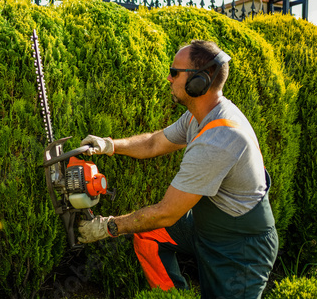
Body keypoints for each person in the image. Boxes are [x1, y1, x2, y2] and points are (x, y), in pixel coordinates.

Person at [78, 40, 278, 298]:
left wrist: (107, 227)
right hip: (209, 227)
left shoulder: (218, 139)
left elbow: (166, 214)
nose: (169, 79)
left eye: (174, 72)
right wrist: (108, 145)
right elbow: (153, 143)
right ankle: (175, 295)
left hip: (240, 248)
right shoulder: (199, 115)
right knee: (148, 236)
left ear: (200, 81)